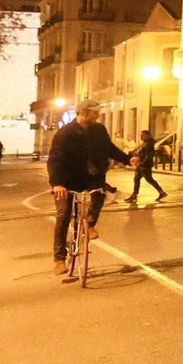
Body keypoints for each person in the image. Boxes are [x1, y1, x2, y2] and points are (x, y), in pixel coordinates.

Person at [47, 99, 133, 281]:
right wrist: (57, 184)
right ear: (83, 112)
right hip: (67, 180)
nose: (97, 115)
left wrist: (127, 159)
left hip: (91, 176)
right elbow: (55, 160)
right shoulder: (65, 134)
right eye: (94, 112)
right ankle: (59, 259)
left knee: (100, 192)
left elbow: (109, 149)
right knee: (63, 214)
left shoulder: (98, 130)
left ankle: (90, 224)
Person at [129, 129, 167, 205]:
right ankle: (134, 195)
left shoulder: (149, 143)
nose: (141, 136)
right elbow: (141, 151)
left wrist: (143, 163)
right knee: (137, 178)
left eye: (142, 135)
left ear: (146, 135)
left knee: (149, 180)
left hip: (145, 165)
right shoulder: (145, 143)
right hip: (141, 164)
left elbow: (149, 155)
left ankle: (162, 192)